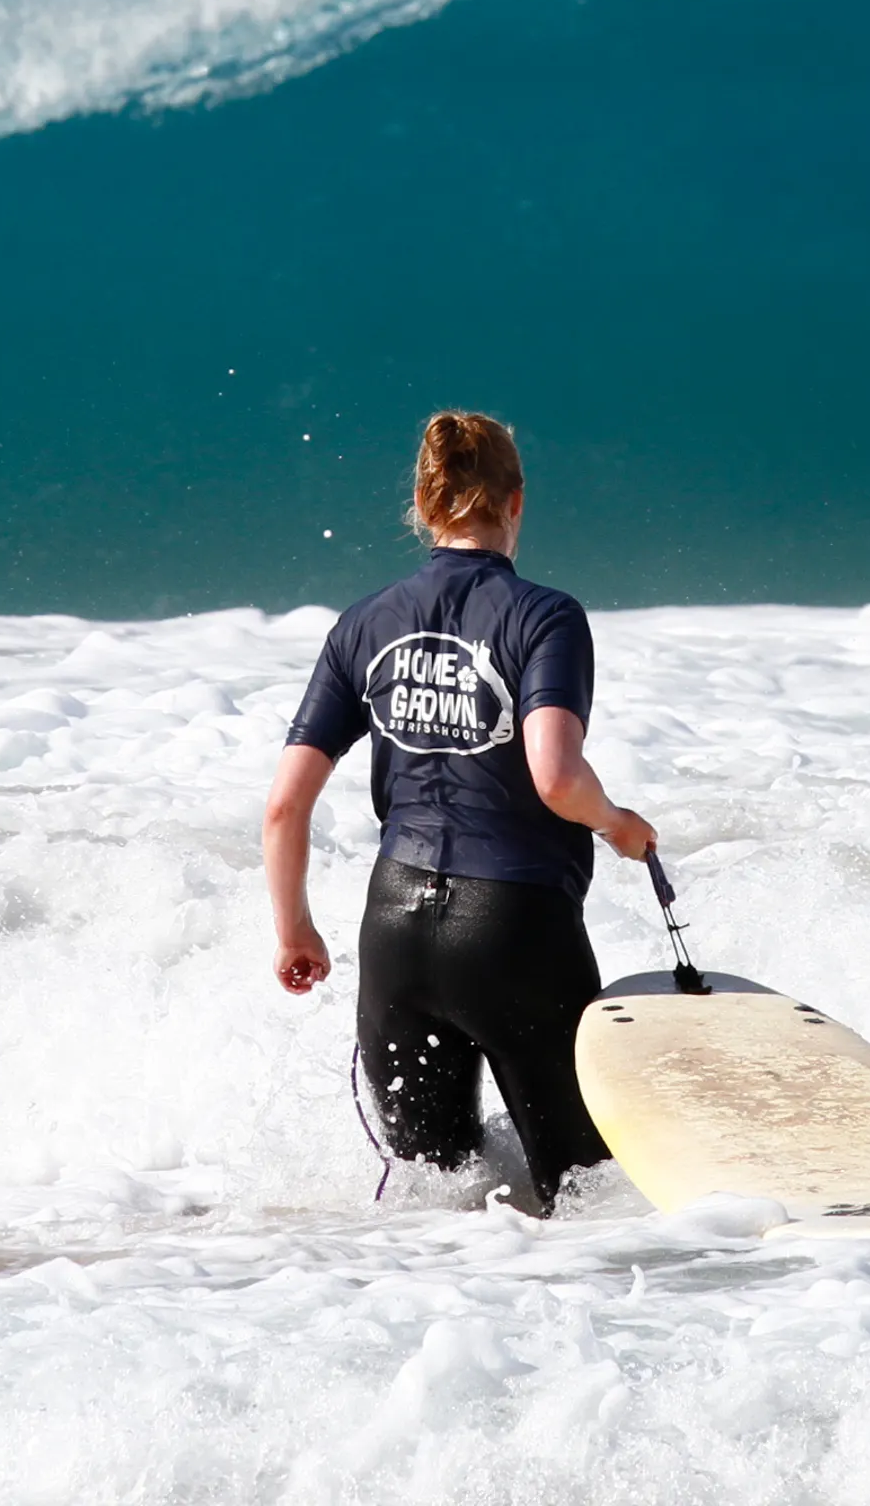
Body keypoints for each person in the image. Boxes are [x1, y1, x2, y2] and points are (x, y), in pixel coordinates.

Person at [262, 411, 657, 1214]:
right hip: (514, 929)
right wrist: (617, 824)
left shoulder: (364, 623)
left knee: (433, 1204)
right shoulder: (544, 616)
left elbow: (283, 807)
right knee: (587, 1200)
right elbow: (555, 777)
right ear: (517, 502)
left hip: (395, 931)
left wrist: (295, 929)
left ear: (422, 499)